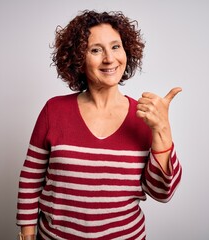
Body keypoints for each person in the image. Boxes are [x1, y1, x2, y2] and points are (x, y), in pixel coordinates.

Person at [16, 10, 182, 240]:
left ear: (127, 51)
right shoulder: (53, 111)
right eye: (96, 50)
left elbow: (162, 193)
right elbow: (30, 178)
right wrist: (27, 235)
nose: (109, 58)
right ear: (78, 58)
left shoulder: (144, 116)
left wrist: (162, 129)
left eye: (116, 47)